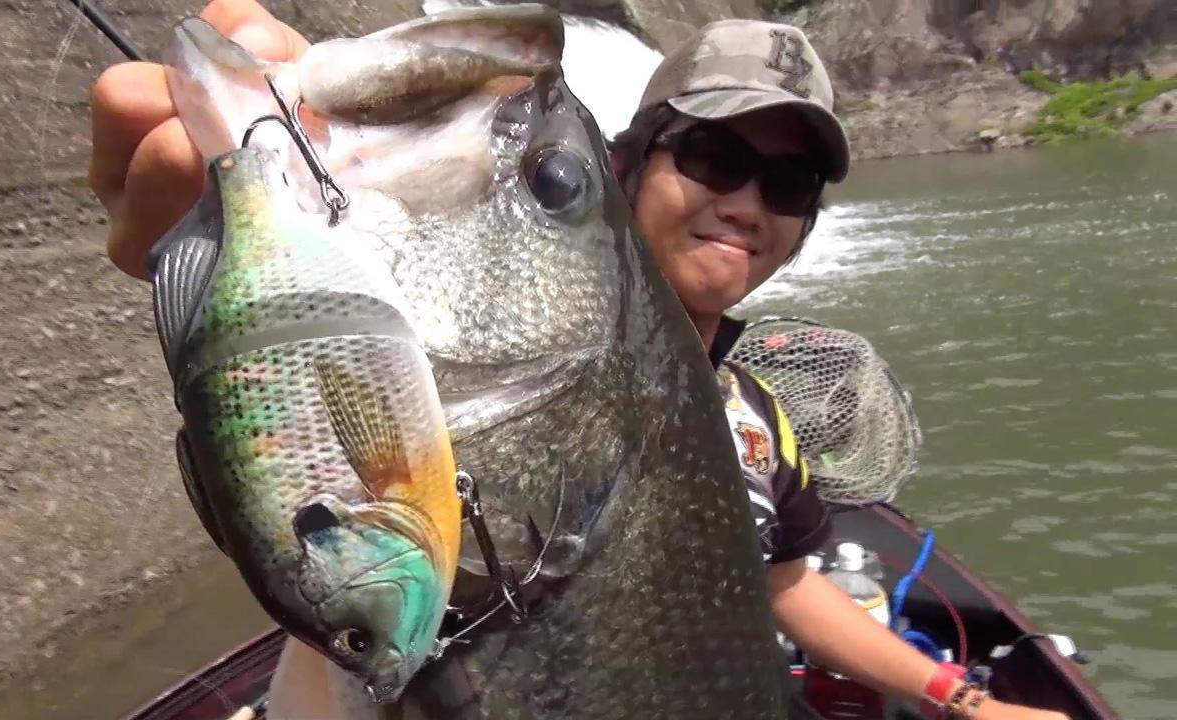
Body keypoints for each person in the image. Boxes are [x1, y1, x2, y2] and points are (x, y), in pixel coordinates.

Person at [88, 2, 1070, 718]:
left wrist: (961, 699)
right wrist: (232, 298)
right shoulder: (498, 356)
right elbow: (332, 500)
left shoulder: (761, 412)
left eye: (788, 182)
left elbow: (784, 588)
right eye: (713, 158)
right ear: (625, 160)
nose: (745, 203)